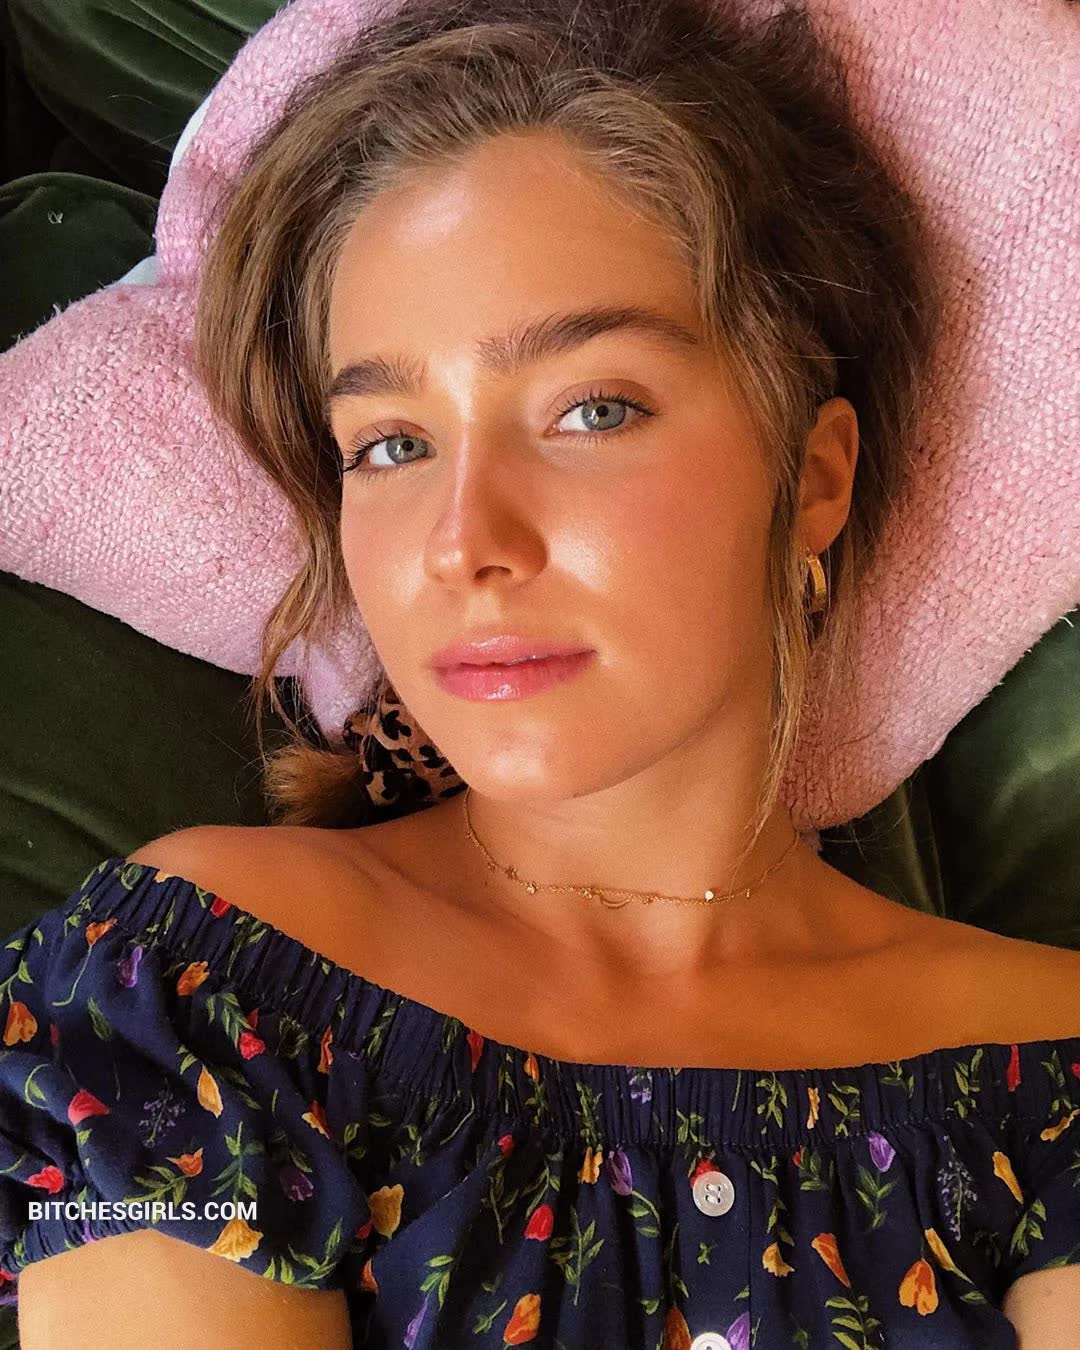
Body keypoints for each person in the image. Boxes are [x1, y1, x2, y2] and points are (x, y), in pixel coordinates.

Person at [3, 0, 1078, 1345]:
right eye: (391, 444)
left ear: (812, 479)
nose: (465, 542)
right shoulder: (187, 997)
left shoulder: (1048, 1071)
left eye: (591, 410)